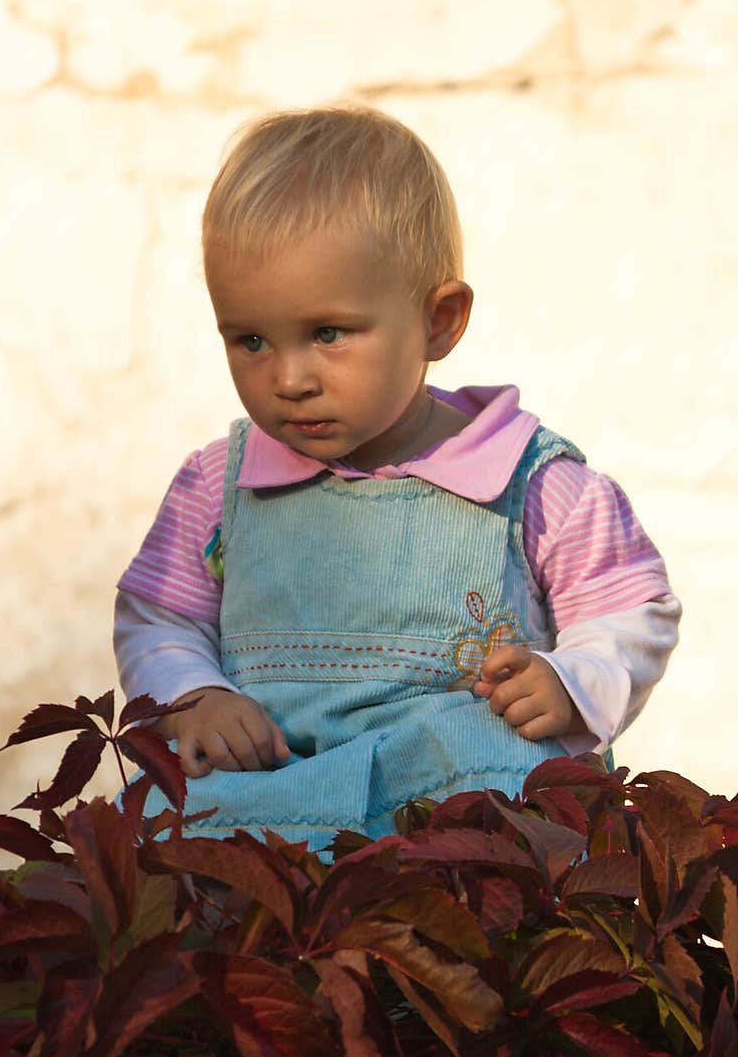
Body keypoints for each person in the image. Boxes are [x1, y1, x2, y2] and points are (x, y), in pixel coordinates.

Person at [114, 104, 680, 853]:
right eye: (250, 339)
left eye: (328, 334)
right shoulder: (220, 487)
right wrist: (196, 694)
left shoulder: (528, 483)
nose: (288, 378)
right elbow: (158, 614)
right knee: (156, 834)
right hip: (271, 787)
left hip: (448, 796)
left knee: (517, 801)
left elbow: (631, 607)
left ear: (438, 320)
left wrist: (569, 680)